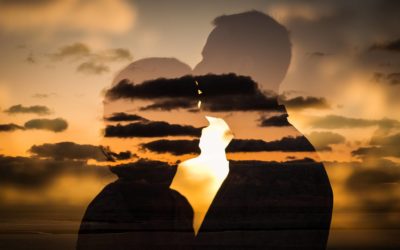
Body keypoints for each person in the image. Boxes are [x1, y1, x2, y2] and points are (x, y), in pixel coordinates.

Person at [77, 11, 333, 250]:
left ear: (243, 68)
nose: (197, 71)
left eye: (208, 59)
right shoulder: (269, 159)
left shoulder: (284, 169)